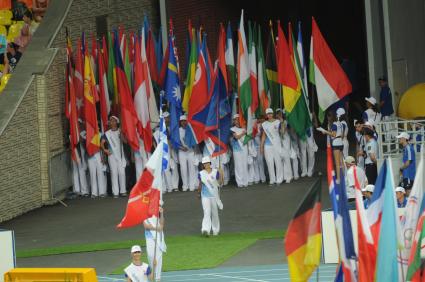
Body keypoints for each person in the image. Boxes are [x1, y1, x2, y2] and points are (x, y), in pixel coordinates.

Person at [198, 156, 223, 237]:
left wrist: (221, 173)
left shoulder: (216, 172)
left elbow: (220, 183)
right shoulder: (201, 173)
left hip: (214, 195)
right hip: (205, 195)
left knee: (215, 213)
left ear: (210, 163)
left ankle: (216, 230)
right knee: (206, 212)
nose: (206, 164)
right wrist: (198, 193)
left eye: (207, 163)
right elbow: (200, 184)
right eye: (204, 163)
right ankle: (206, 230)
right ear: (203, 164)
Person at [102, 116, 127, 198]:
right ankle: (115, 192)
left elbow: (125, 141)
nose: (112, 122)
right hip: (112, 156)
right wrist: (105, 150)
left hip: (120, 155)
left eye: (114, 121)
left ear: (117, 122)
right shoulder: (107, 133)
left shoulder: (120, 131)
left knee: (122, 173)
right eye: (111, 121)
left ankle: (123, 191)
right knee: (114, 173)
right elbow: (101, 143)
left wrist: (121, 134)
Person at [319, 110, 344, 182]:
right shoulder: (340, 123)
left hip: (336, 143)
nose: (327, 118)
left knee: (337, 163)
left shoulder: (334, 125)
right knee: (341, 162)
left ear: (330, 117)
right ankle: (343, 177)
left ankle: (339, 178)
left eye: (328, 117)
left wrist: (325, 132)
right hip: (341, 143)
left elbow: (333, 134)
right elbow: (341, 135)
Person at [261, 108, 283, 186]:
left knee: (278, 161)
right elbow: (263, 135)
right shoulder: (264, 124)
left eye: (270, 113)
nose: (269, 115)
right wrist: (261, 147)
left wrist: (282, 122)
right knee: (269, 162)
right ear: (266, 115)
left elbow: (282, 132)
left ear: (272, 113)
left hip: (276, 143)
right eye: (268, 114)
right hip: (267, 145)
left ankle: (279, 179)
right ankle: (272, 180)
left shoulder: (277, 122)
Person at [143, 207, 166, 282]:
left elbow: (162, 224)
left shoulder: (157, 209)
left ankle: (158, 278)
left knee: (159, 256)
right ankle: (152, 273)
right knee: (150, 255)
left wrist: (161, 213)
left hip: (159, 236)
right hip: (149, 236)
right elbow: (146, 226)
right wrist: (156, 228)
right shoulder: (144, 210)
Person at [178, 115, 197, 192]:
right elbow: (175, 142)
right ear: (180, 122)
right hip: (182, 151)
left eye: (185, 121)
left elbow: (195, 140)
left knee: (192, 168)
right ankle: (185, 186)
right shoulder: (178, 131)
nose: (184, 122)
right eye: (182, 121)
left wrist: (194, 150)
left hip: (190, 151)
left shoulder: (190, 129)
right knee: (183, 169)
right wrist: (181, 148)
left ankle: (192, 185)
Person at [230, 114, 249, 188]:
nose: (236, 121)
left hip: (244, 148)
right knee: (238, 165)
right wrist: (243, 133)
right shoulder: (232, 129)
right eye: (235, 119)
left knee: (244, 164)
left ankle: (245, 181)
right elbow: (236, 137)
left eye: (238, 119)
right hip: (236, 149)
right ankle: (239, 182)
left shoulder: (244, 127)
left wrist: (244, 131)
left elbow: (248, 138)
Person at [276, 109, 293, 183]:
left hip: (285, 141)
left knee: (286, 159)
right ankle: (282, 176)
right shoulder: (275, 122)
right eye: (277, 114)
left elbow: (282, 132)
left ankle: (289, 176)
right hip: (278, 142)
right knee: (280, 159)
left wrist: (281, 122)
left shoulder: (285, 122)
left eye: (280, 113)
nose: (279, 115)